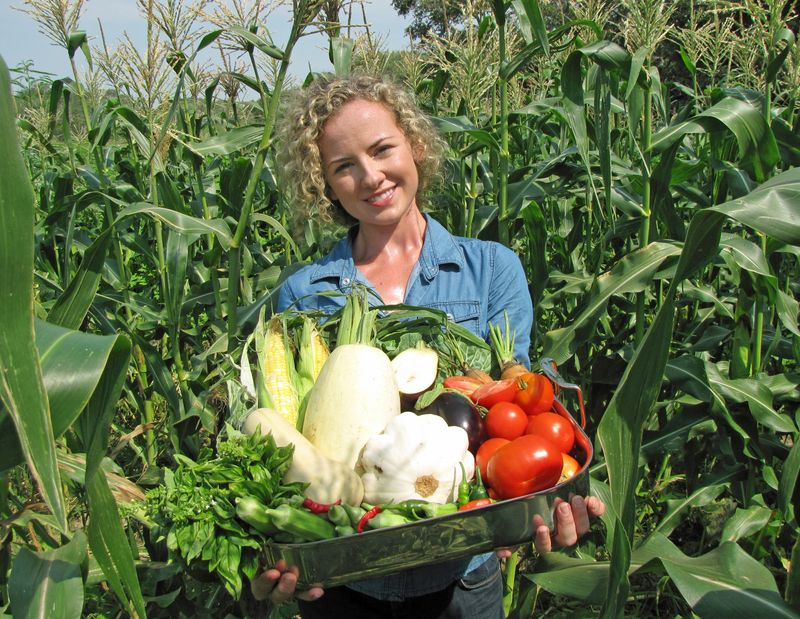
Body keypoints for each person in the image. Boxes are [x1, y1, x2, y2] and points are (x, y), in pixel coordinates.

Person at [251, 73, 605, 616]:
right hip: (343, 580)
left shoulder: (490, 270)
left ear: (415, 145)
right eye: (343, 166)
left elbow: (522, 406)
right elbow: (284, 442)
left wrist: (543, 491)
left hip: (463, 581)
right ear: (324, 184)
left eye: (382, 149)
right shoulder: (303, 293)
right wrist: (269, 552)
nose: (370, 176)